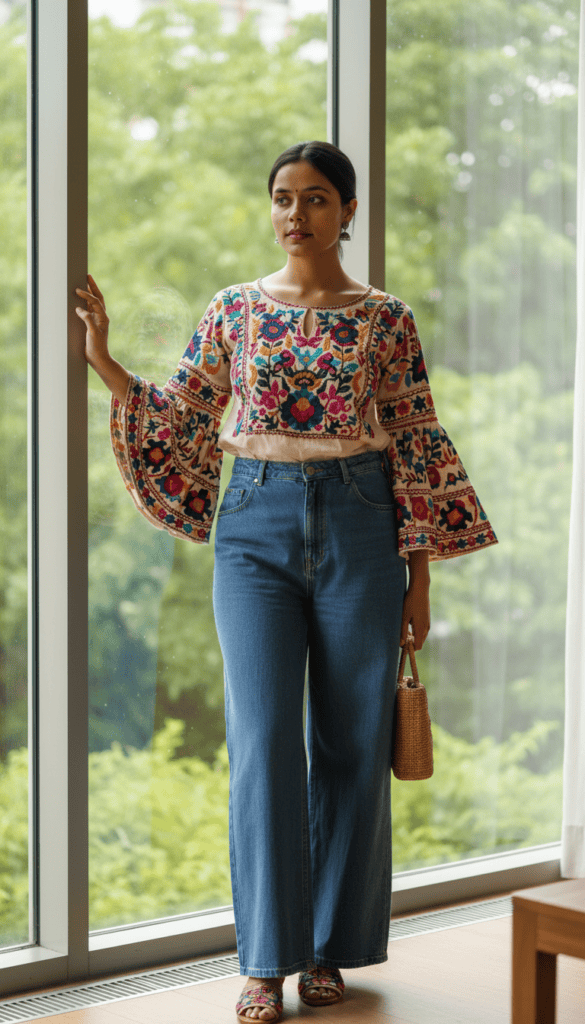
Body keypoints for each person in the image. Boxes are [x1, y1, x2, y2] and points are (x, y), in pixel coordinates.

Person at [76, 141, 497, 1023]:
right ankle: (264, 961)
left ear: (347, 212)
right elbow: (187, 413)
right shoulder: (233, 308)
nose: (294, 214)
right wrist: (108, 363)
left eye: (314, 199)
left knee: (350, 743)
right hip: (254, 527)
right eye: (281, 198)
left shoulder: (387, 320)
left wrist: (420, 581)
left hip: (361, 522)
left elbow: (417, 442)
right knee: (264, 741)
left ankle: (329, 954)